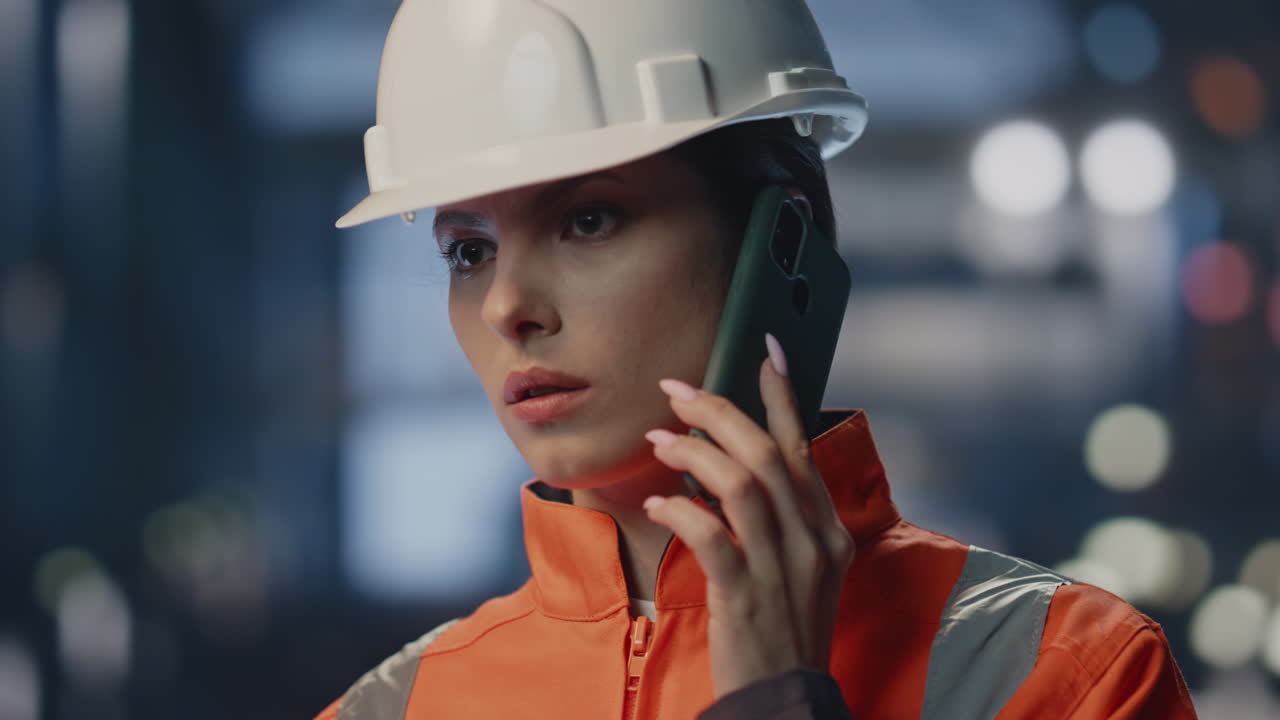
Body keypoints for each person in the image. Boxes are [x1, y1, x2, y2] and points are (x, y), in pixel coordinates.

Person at [316, 1, 1200, 718]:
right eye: (467, 251)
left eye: (588, 218)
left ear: (787, 240)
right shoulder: (392, 709)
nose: (508, 305)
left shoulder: (1068, 677)